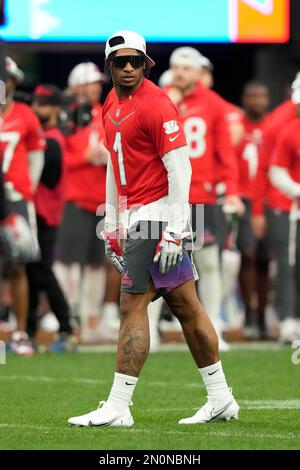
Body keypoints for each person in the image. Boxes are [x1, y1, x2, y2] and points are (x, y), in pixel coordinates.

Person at [68, 30, 239, 427]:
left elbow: (181, 169)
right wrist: (111, 221)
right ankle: (221, 398)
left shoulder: (157, 105)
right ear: (108, 65)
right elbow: (114, 162)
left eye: (135, 61)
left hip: (160, 215)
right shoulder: (111, 101)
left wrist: (176, 228)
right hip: (139, 215)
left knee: (131, 305)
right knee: (185, 306)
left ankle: (117, 406)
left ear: (146, 65)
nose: (128, 68)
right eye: (120, 61)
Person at [166, 47, 244, 349]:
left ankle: (212, 325)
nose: (180, 73)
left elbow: (226, 154)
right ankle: (152, 330)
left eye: (186, 68)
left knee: (208, 263)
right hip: (166, 196)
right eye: (176, 67)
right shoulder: (162, 100)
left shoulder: (213, 105)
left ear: (199, 72)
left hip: (200, 195)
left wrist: (233, 192)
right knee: (160, 263)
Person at [54, 62, 120, 341]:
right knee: (67, 261)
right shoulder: (64, 115)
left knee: (97, 263)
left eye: (97, 83)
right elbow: (56, 158)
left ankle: (91, 321)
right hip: (75, 197)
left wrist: (108, 156)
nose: (96, 87)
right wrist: (86, 157)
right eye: (91, 82)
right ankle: (64, 315)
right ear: (78, 85)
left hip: (101, 200)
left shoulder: (102, 114)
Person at [25, 84, 75, 350]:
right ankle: (29, 332)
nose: (36, 108)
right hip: (39, 213)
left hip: (44, 214)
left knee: (42, 272)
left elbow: (47, 178)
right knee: (32, 273)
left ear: (56, 108)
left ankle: (67, 328)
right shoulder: (47, 137)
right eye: (35, 103)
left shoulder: (51, 140)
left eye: (42, 103)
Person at [0, 57, 45, 355]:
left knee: (18, 264)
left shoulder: (25, 114)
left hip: (15, 198)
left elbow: (36, 157)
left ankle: (19, 332)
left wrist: (25, 191)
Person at [252, 79, 298, 343]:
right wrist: (258, 209)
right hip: (283, 203)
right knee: (286, 263)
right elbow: (263, 169)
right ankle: (286, 320)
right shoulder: (278, 123)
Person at [234, 81, 270, 338]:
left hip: (269, 199)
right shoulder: (236, 126)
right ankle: (248, 314)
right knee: (247, 256)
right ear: (244, 99)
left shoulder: (274, 126)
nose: (257, 101)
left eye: (261, 96)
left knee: (266, 260)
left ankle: (263, 317)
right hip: (243, 199)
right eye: (252, 96)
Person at [268, 82, 300, 341]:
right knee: (290, 265)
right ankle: (289, 319)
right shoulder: (291, 130)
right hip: (295, 211)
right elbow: (277, 172)